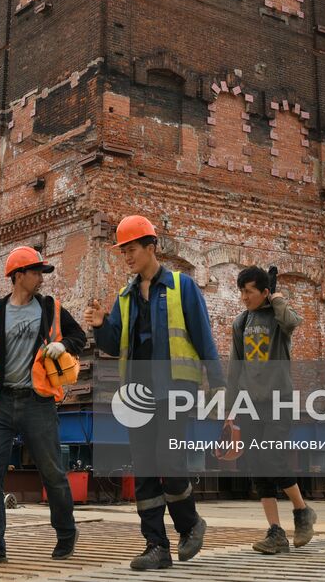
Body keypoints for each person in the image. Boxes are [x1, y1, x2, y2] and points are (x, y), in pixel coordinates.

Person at [85, 215, 221, 572]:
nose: (127, 256)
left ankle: (190, 525)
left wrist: (221, 385)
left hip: (176, 387)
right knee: (144, 468)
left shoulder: (181, 286)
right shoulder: (126, 296)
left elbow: (204, 336)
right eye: (123, 251)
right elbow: (115, 345)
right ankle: (156, 546)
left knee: (170, 461)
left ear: (150, 247)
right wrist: (101, 325)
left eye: (131, 249)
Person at [0, 246, 87, 564]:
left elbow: (79, 337)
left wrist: (63, 343)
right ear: (19, 276)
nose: (40, 278)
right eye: (36, 272)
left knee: (53, 472)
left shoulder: (50, 308)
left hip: (38, 402)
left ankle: (65, 533)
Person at [227, 266, 316, 554]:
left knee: (272, 456)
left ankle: (302, 512)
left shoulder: (279, 318)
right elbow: (235, 367)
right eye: (241, 291)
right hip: (250, 404)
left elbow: (292, 323)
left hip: (279, 400)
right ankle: (276, 533)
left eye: (249, 291)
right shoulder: (240, 323)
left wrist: (277, 298)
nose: (244, 297)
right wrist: (229, 408)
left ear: (264, 291)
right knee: (257, 468)